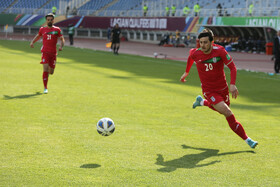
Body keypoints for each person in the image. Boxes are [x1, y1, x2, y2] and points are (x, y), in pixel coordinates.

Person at [180, 29, 258, 149]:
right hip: (209, 90)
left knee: (223, 110)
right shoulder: (196, 53)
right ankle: (247, 139)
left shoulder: (220, 51)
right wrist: (186, 72)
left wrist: (232, 84)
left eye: (205, 42)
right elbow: (191, 57)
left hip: (223, 88)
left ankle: (201, 102)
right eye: (201, 42)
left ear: (212, 42)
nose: (203, 45)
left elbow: (232, 68)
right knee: (227, 112)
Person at [30, 13, 65, 94]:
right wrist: (32, 42)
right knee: (45, 69)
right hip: (45, 52)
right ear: (46, 20)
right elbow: (38, 36)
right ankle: (45, 88)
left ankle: (47, 76)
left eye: (51, 20)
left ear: (53, 20)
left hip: (53, 53)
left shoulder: (57, 30)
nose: (49, 21)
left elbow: (62, 39)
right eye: (48, 20)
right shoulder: (42, 29)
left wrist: (61, 46)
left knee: (51, 72)